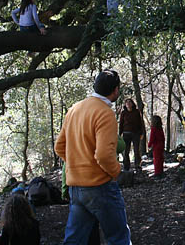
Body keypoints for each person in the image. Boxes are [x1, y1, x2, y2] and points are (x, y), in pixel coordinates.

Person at [55, 70, 131, 245]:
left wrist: (77, 164)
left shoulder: (75, 109)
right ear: (116, 90)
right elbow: (104, 155)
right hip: (100, 186)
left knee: (74, 240)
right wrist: (116, 171)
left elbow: (59, 147)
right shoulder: (105, 113)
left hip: (75, 188)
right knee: (118, 238)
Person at [119, 98, 145, 171]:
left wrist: (142, 133)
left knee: (136, 150)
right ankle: (126, 166)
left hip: (135, 133)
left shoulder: (136, 112)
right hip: (126, 133)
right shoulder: (123, 113)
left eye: (130, 102)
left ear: (132, 104)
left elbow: (140, 123)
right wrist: (119, 134)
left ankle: (138, 165)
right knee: (126, 151)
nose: (128, 104)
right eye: (126, 103)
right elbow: (121, 124)